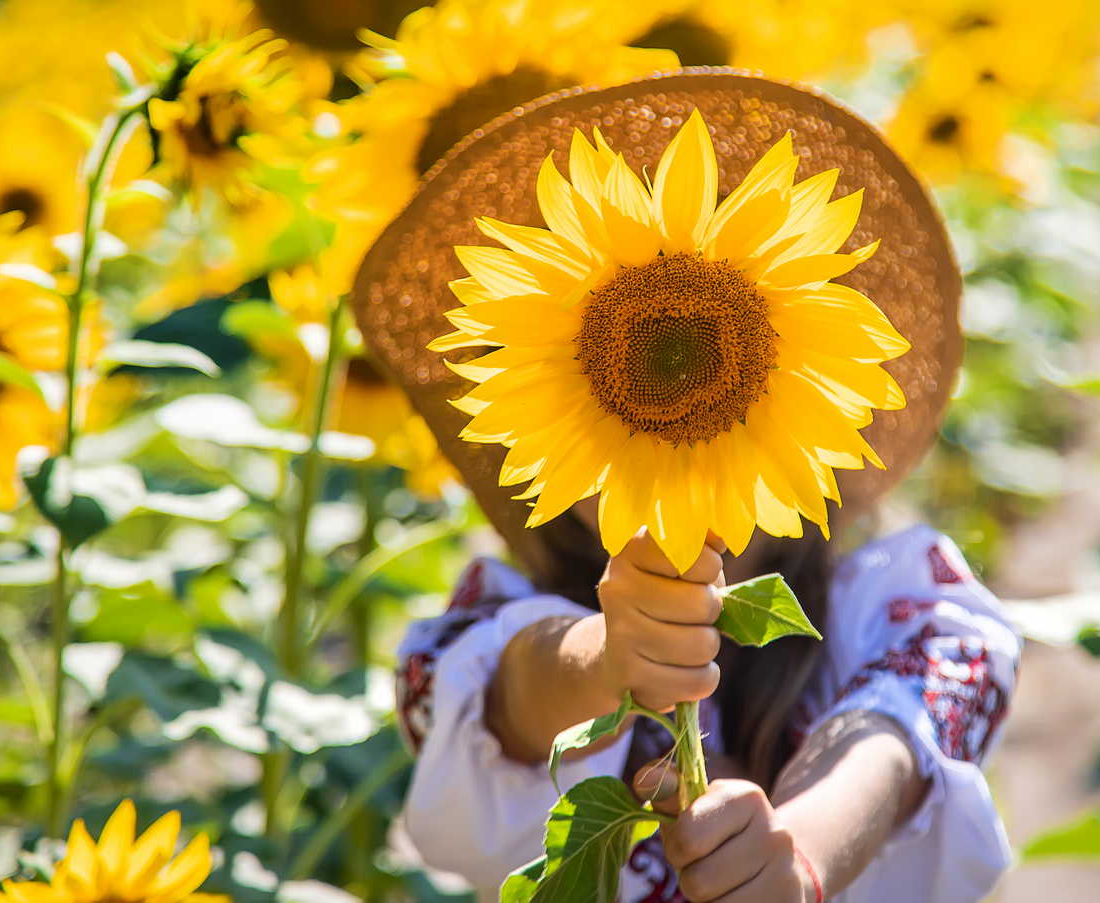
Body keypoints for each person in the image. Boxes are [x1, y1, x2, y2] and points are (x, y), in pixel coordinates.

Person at [353, 70, 1020, 903]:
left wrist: (802, 852)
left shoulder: (894, 605)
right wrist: (607, 657)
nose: (672, 420)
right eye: (629, 390)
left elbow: (893, 732)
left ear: (821, 423)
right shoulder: (505, 612)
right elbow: (505, 689)